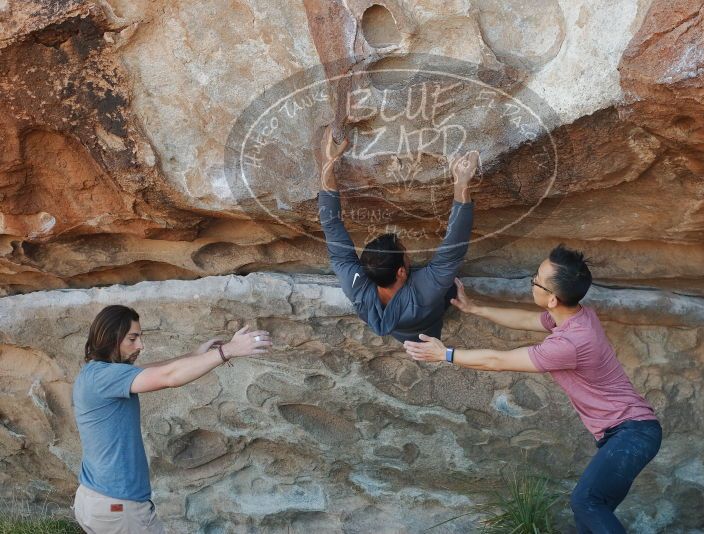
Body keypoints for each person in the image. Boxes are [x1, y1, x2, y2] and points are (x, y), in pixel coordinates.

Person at [403, 244, 661, 533]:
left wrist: (445, 354)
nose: (532, 282)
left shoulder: (570, 344)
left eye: (536, 279)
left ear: (552, 299)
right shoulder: (575, 316)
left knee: (585, 502)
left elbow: (497, 361)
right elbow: (526, 319)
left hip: (633, 432)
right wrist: (475, 308)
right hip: (627, 432)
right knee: (589, 515)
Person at [72, 305, 271, 533]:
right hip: (119, 508)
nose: (140, 345)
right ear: (110, 337)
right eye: (133, 338)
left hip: (93, 499)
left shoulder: (95, 373)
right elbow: (168, 376)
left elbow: (151, 369)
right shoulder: (104, 377)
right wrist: (228, 350)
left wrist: (197, 355)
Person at [317, 125, 479, 343]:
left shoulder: (356, 287)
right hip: (427, 319)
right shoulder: (424, 292)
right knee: (448, 286)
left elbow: (332, 228)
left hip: (401, 329)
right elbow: (453, 248)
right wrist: (462, 184)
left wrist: (328, 162)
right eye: (404, 252)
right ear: (401, 272)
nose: (407, 252)